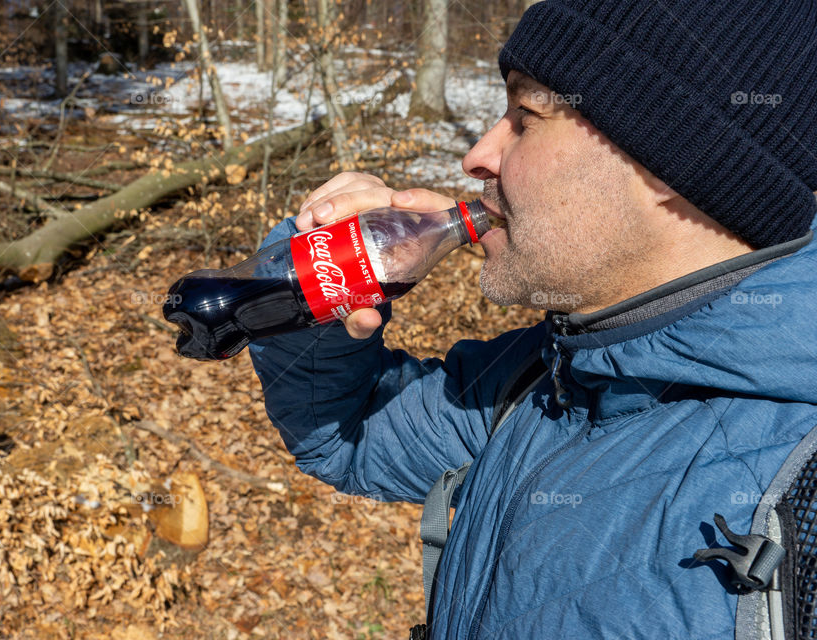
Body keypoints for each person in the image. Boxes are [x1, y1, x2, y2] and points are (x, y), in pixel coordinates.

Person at [249, 0, 817, 637]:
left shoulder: (805, 486)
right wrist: (314, 275)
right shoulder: (549, 379)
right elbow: (348, 436)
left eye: (526, 116)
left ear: (675, 161)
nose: (477, 155)